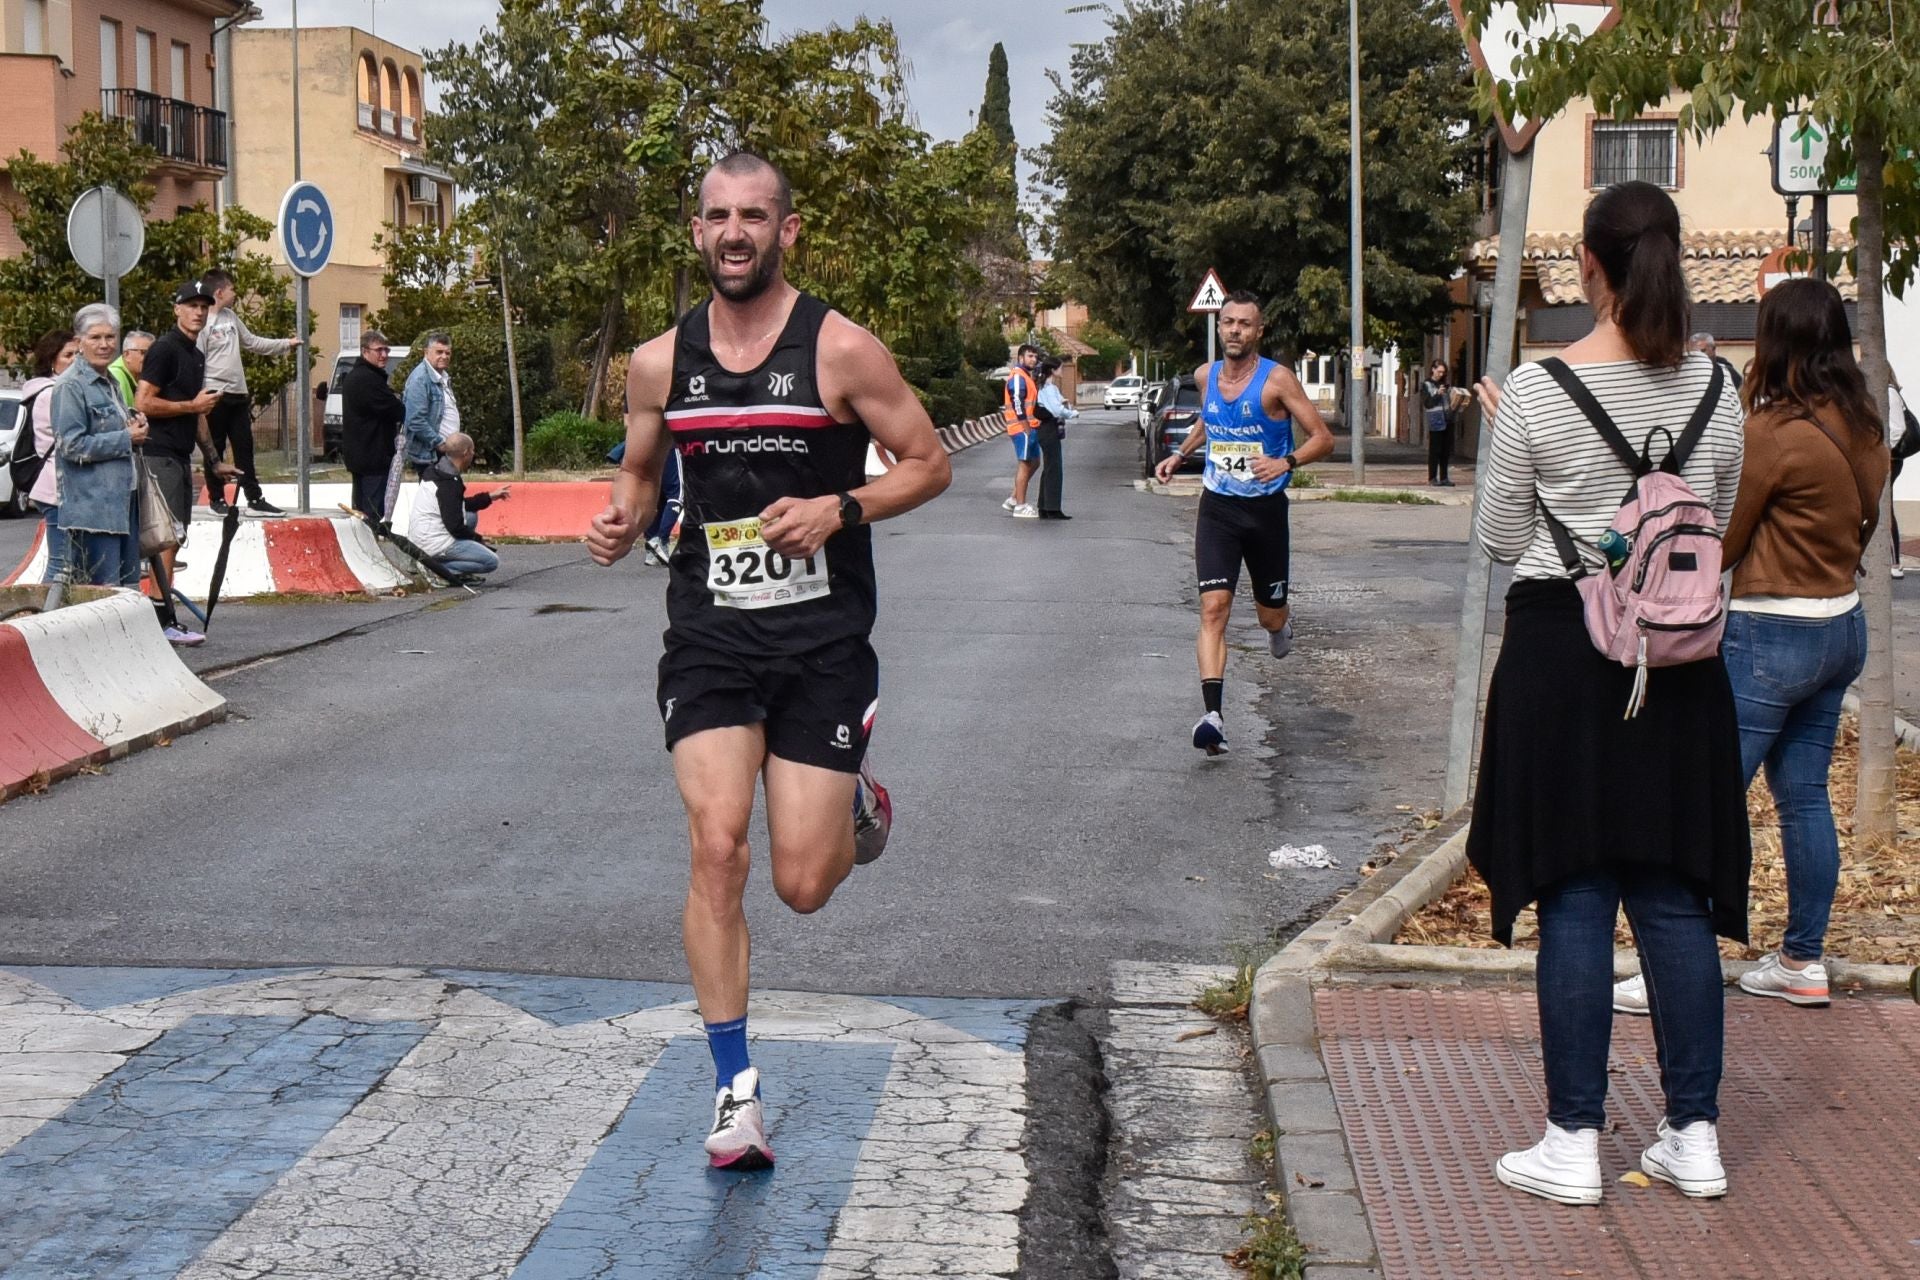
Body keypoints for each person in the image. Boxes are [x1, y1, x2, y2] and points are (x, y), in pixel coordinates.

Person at [586, 152, 951, 1172]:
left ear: (788, 230)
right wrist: (622, 514)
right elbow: (641, 460)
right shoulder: (659, 361)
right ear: (695, 231)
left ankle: (857, 806)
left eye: (754, 215)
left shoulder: (840, 351)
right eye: (717, 216)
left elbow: (929, 462)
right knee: (717, 845)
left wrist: (843, 505)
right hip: (709, 633)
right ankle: (736, 1090)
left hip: (822, 642)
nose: (734, 232)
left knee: (799, 881)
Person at [1469, 181, 1748, 1207]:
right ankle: (1696, 1133)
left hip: (1564, 655)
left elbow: (1503, 538)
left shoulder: (1540, 392)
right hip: (1680, 661)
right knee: (1673, 893)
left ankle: (1573, 1139)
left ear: (1588, 265)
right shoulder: (1720, 388)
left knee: (1577, 891)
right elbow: (1711, 514)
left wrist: (1520, 445)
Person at [1617, 279, 1886, 1019]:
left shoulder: (1772, 431)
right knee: (1803, 799)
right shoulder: (1866, 427)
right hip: (1842, 626)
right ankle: (1804, 958)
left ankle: (1668, 971)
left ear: (1777, 342)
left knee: (1704, 800)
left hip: (1770, 632)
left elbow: (1722, 545)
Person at [1153, 290, 1334, 755]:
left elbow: (1323, 438)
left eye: (1244, 324)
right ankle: (1212, 716)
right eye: (1228, 322)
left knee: (1268, 613)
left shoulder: (1278, 381)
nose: (1235, 330)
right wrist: (1180, 454)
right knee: (1213, 609)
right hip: (1218, 508)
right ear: (1219, 327)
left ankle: (1279, 626)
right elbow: (1210, 423)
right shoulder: (1205, 375)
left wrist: (1286, 462)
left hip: (1265, 511)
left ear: (1259, 330)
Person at [134, 278, 241, 644]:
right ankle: (161, 619)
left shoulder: (195, 353)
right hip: (157, 453)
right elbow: (143, 402)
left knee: (175, 538)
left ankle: (160, 615)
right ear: (177, 309)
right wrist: (190, 406)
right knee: (164, 539)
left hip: (180, 456)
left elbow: (197, 413)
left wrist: (214, 460)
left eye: (203, 306)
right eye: (191, 305)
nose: (198, 312)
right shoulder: (165, 349)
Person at [48, 304, 149, 588]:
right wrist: (126, 438)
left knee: (125, 592)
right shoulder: (71, 386)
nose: (104, 344)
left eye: (110, 337)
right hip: (92, 512)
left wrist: (135, 425)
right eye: (95, 337)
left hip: (122, 502)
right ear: (79, 343)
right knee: (100, 597)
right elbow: (71, 445)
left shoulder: (111, 381)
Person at [197, 268, 298, 516]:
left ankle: (254, 498)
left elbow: (253, 342)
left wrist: (286, 344)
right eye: (231, 289)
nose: (235, 293)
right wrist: (199, 396)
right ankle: (216, 499)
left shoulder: (231, 318)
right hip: (214, 395)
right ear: (219, 292)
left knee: (245, 447)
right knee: (216, 447)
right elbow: (197, 360)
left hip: (238, 394)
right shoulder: (203, 322)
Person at [20, 329, 78, 584]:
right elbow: (68, 440)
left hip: (59, 487)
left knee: (69, 562)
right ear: (51, 359)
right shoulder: (51, 393)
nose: (75, 360)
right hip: (56, 488)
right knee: (61, 562)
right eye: (68, 355)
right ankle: (46, 618)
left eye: (78, 354)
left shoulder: (56, 389)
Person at [339, 330, 405, 521]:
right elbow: (397, 410)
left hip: (361, 455)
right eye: (379, 350)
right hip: (373, 456)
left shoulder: (358, 376)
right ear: (365, 351)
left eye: (386, 350)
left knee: (360, 513)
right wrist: (397, 402)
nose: (384, 355)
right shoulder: (368, 380)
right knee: (371, 514)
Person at [403, 332, 455, 477]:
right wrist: (439, 443)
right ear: (426, 352)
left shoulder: (442, 376)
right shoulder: (420, 379)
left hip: (444, 452)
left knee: (445, 496)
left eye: (447, 353)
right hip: (431, 453)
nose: (444, 356)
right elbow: (414, 420)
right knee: (434, 496)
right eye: (439, 352)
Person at [1001, 343, 1042, 518]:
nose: (1033, 359)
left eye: (1035, 356)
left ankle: (1013, 499)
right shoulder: (1018, 377)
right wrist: (1025, 426)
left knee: (1035, 462)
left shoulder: (1026, 376)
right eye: (1030, 356)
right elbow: (1017, 401)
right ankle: (1020, 505)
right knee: (1025, 464)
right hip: (1021, 427)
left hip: (1029, 427)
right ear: (1020, 358)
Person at [1034, 358, 1077, 519]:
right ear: (1052, 370)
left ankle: (1044, 506)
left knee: (1049, 468)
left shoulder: (1045, 387)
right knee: (1055, 468)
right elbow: (1056, 410)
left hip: (1045, 430)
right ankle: (1053, 508)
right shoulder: (1048, 387)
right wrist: (1072, 414)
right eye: (1060, 368)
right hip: (1049, 429)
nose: (1062, 371)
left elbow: (1057, 402)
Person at [1419, 359, 1462, 486]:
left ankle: (1444, 477)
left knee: (1445, 451)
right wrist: (1437, 394)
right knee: (1435, 451)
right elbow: (1428, 403)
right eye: (1439, 372)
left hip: (1448, 419)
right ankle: (1432, 478)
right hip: (1436, 421)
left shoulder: (1446, 385)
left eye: (1443, 372)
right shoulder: (1426, 385)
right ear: (1433, 369)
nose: (1441, 374)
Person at [107, 330, 153, 405]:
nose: (150, 358)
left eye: (152, 354)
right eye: (144, 353)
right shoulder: (115, 376)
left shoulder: (138, 376)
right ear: (127, 355)